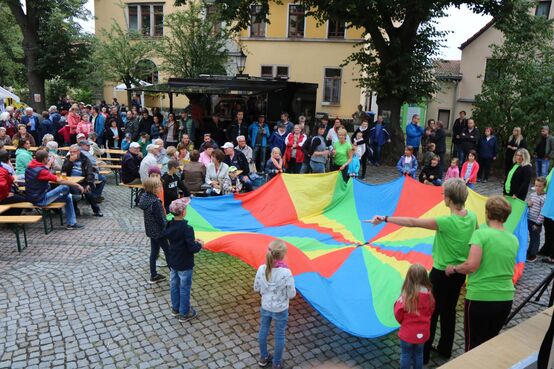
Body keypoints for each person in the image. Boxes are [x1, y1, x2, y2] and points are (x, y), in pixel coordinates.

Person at [366, 178, 477, 363]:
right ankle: (445, 349)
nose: (443, 196)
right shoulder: (471, 217)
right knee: (449, 311)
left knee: (430, 312)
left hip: (441, 273)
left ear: (449, 198)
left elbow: (412, 222)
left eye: (444, 194)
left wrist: (385, 218)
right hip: (459, 274)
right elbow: (476, 237)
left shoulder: (446, 221)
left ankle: (423, 354)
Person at [445, 196, 518, 352]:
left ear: (487, 213)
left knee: (473, 348)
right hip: (505, 298)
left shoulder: (481, 235)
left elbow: (471, 265)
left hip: (481, 298)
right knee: (489, 345)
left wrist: (454, 268)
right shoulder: (513, 239)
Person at [254, 240, 296, 369]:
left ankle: (264, 357)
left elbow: (256, 288)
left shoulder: (261, 269)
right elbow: (291, 294)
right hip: (281, 309)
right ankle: (277, 363)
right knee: (279, 335)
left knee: (263, 330)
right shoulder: (286, 273)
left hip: (266, 306)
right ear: (283, 255)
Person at [163, 197, 203, 322]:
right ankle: (184, 313)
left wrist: (191, 241)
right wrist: (200, 244)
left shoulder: (169, 225)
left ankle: (175, 308)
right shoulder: (187, 228)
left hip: (173, 261)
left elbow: (175, 238)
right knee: (184, 287)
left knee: (174, 285)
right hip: (185, 263)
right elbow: (192, 248)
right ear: (183, 212)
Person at [25, 150, 85, 229]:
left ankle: (71, 223)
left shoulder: (31, 166)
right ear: (45, 159)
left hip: (33, 197)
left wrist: (50, 163)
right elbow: (60, 181)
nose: (49, 159)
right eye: (48, 158)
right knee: (64, 187)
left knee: (68, 197)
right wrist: (77, 185)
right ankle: (74, 196)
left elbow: (43, 169)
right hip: (41, 199)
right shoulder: (42, 171)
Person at [394, 264, 435, 369]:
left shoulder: (406, 296)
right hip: (422, 332)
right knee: (419, 355)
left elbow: (398, 312)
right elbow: (431, 310)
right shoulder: (429, 295)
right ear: (425, 278)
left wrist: (402, 322)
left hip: (407, 333)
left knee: (406, 355)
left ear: (409, 278)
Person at [138, 177, 168, 284]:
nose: (161, 187)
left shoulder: (145, 198)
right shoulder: (155, 202)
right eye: (159, 185)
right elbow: (161, 219)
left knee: (154, 252)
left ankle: (153, 274)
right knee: (168, 251)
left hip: (151, 231)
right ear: (154, 189)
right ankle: (174, 273)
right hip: (159, 232)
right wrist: (167, 230)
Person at [62, 145, 103, 217]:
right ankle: (75, 210)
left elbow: (90, 173)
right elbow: (63, 172)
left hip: (83, 182)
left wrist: (88, 184)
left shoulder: (85, 159)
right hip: (70, 182)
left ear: (78, 152)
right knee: (71, 190)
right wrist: (70, 162)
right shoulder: (68, 159)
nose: (71, 153)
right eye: (70, 152)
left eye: (73, 152)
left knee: (88, 193)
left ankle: (96, 210)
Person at [527, 177, 547, 262]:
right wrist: (528, 204)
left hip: (536, 222)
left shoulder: (544, 198)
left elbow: (542, 213)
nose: (537, 188)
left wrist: (538, 224)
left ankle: (533, 254)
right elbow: (528, 204)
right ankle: (529, 250)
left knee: (535, 238)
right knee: (531, 236)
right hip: (529, 219)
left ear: (544, 187)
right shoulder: (533, 195)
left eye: (539, 186)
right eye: (536, 186)